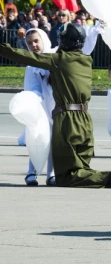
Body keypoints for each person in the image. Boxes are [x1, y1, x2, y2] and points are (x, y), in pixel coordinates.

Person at [0, 23, 111, 188]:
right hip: (85, 121)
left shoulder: (59, 60)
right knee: (81, 168)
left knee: (66, 177)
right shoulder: (86, 59)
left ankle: (109, 177)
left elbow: (23, 56)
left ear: (64, 42)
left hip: (67, 122)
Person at [22, 28, 55, 186]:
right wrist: (35, 99)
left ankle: (52, 174)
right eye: (29, 43)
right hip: (40, 107)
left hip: (55, 106)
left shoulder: (54, 57)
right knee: (37, 138)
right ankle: (32, 172)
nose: (33, 45)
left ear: (43, 40)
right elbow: (31, 88)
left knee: (54, 140)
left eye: (36, 41)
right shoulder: (31, 66)